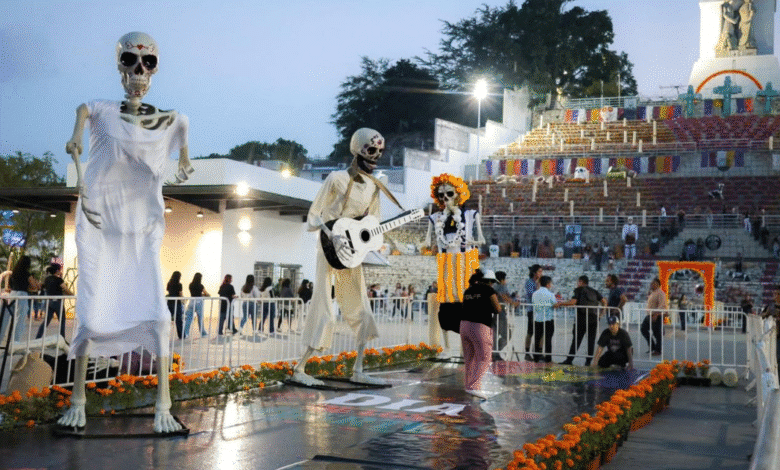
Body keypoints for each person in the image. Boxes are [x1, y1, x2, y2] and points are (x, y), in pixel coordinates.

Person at [58, 32, 192, 433]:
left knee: (156, 311)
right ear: (120, 67)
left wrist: (184, 160)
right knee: (92, 307)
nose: (139, 72)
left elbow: (183, 133)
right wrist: (76, 134)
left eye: (147, 63)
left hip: (141, 228)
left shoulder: (172, 119)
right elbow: (82, 110)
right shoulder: (101, 110)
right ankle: (78, 398)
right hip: (101, 222)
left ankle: (163, 406)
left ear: (153, 70)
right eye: (131, 62)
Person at [291, 128, 403, 387]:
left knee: (362, 310)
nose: (375, 157)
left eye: (379, 152)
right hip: (329, 247)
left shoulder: (375, 187)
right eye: (371, 150)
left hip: (352, 252)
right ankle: (300, 368)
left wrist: (374, 243)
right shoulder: (336, 178)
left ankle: (359, 368)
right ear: (358, 149)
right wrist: (332, 233)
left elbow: (372, 221)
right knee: (324, 307)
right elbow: (315, 213)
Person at [460, 269, 502, 399]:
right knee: (484, 358)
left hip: (464, 325)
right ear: (490, 281)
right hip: (480, 326)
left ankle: (469, 386)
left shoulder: (468, 290)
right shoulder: (488, 290)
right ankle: (474, 386)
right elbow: (497, 308)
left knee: (470, 358)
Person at [560, 275, 606, 366]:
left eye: (578, 282)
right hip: (593, 319)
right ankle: (588, 362)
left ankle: (569, 360)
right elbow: (604, 301)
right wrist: (601, 314)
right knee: (591, 341)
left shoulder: (578, 290)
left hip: (581, 319)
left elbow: (572, 302)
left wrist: (561, 303)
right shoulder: (594, 291)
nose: (577, 284)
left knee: (576, 340)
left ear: (581, 282)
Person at [6, 255, 42, 341]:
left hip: (12, 294)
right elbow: (34, 286)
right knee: (20, 319)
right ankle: (15, 341)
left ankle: (6, 339)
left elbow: (9, 286)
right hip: (22, 295)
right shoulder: (27, 274)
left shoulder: (14, 273)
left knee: (10, 318)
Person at [532, 276, 565, 363]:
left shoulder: (534, 294)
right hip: (548, 319)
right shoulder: (550, 294)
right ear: (548, 284)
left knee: (537, 338)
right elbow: (554, 305)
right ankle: (548, 358)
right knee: (548, 339)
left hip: (537, 319)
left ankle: (536, 358)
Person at [35, 263, 73, 340]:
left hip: (49, 302)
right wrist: (73, 295)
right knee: (62, 321)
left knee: (46, 321)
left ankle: (38, 338)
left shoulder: (47, 279)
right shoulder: (59, 280)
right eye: (60, 269)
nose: (60, 271)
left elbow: (42, 286)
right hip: (58, 302)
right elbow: (65, 289)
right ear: (57, 270)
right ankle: (62, 339)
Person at [492, 271, 517, 361]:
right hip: (500, 312)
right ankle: (494, 352)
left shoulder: (493, 286)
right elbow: (504, 297)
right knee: (506, 334)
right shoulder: (500, 286)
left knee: (494, 334)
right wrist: (514, 303)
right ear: (502, 279)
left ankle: (493, 353)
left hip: (493, 313)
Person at [641, 278, 668, 356]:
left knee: (657, 334)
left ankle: (658, 350)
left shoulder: (661, 293)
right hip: (650, 315)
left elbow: (662, 305)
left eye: (653, 283)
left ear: (657, 284)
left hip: (656, 316)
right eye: (651, 283)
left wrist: (656, 314)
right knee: (643, 329)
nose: (651, 285)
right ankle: (652, 346)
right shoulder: (653, 293)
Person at [524, 264, 543, 361]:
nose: (541, 273)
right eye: (539, 271)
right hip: (532, 310)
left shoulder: (541, 282)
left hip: (541, 310)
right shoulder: (529, 283)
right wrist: (538, 284)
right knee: (530, 332)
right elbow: (534, 295)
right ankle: (527, 353)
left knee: (541, 332)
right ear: (534, 273)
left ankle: (539, 353)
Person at [761, 286, 780, 376]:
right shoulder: (770, 306)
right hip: (773, 337)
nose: (776, 296)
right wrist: (767, 314)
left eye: (778, 294)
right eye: (775, 293)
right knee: (774, 359)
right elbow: (761, 316)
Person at [183, 272, 209, 338]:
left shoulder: (190, 285)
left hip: (191, 301)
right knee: (200, 318)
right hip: (199, 302)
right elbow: (207, 294)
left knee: (188, 318)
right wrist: (203, 295)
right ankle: (203, 333)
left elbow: (194, 293)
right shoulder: (201, 286)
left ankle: (185, 333)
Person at [166, 271, 184, 339]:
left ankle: (165, 334)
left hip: (170, 303)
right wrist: (183, 300)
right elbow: (180, 294)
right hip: (177, 303)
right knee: (178, 320)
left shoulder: (169, 283)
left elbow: (168, 291)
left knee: (168, 319)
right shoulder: (179, 284)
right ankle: (181, 335)